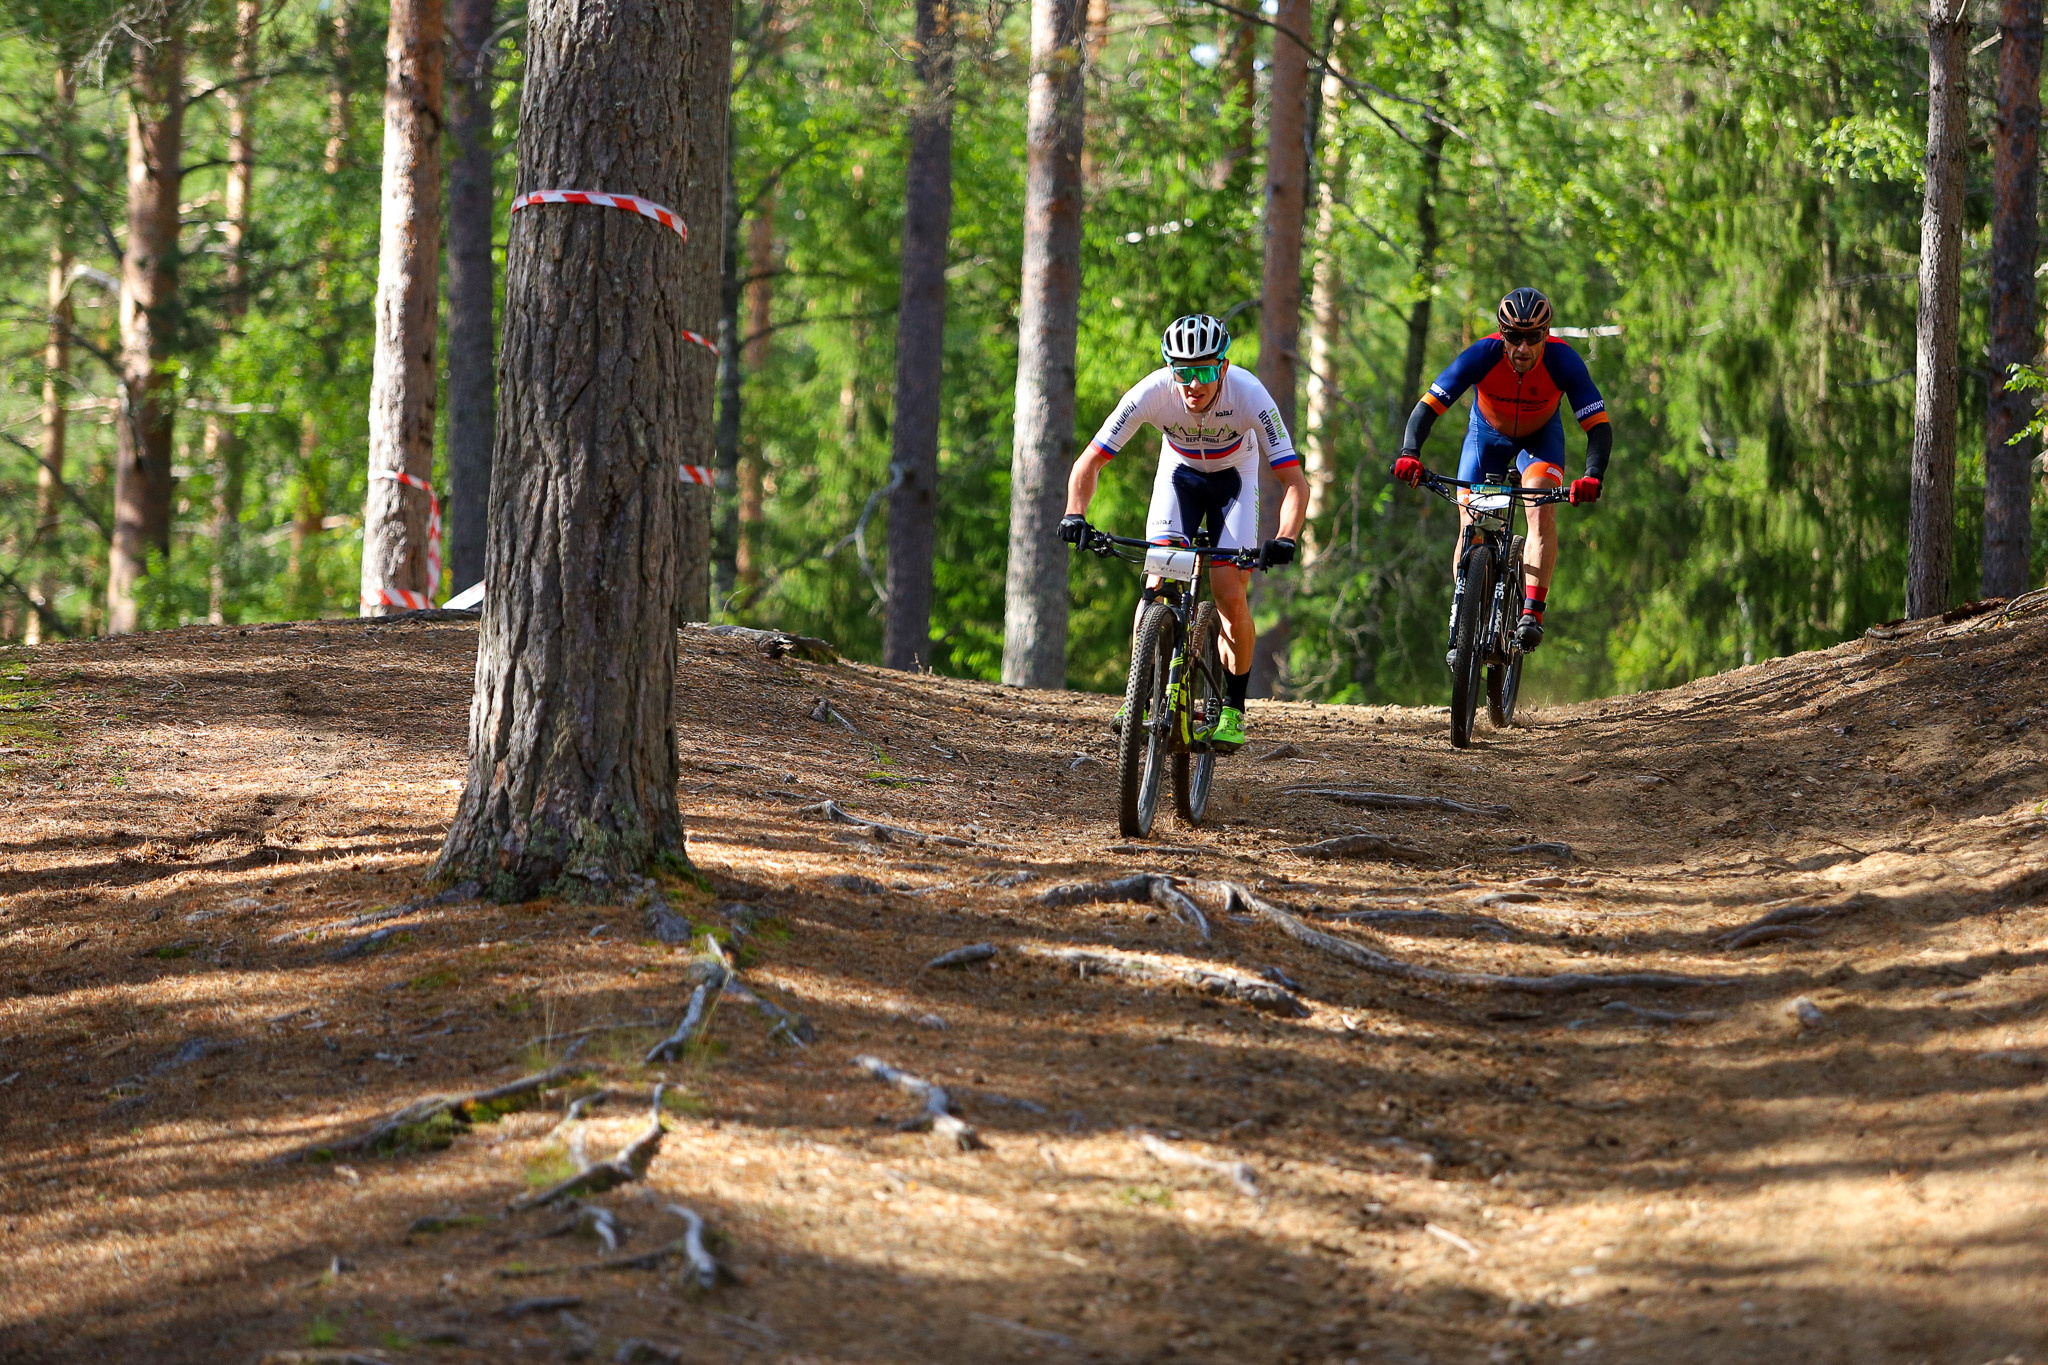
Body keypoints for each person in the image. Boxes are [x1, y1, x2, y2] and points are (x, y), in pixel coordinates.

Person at [1056, 314, 1308, 752]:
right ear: (1169, 369)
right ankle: (1139, 695)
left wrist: (1286, 537)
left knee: (1228, 592)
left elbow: (1294, 482)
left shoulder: (1249, 394)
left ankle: (1232, 708)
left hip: (1234, 481)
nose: (1193, 384)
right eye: (1182, 371)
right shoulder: (1152, 392)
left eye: (1205, 372)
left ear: (1223, 368)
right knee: (1156, 583)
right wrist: (1074, 513)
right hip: (1179, 478)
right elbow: (1089, 462)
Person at [1392, 287, 1611, 654]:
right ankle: (1465, 623)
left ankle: (1531, 613)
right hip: (1486, 439)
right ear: (1501, 332)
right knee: (1470, 523)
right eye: (1513, 336)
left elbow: (1598, 427)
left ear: (1546, 334)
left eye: (1533, 337)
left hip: (1539, 441)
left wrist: (1592, 475)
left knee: (1540, 510)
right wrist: (1409, 454)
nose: (1522, 348)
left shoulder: (1563, 361)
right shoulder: (1482, 355)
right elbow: (1427, 407)